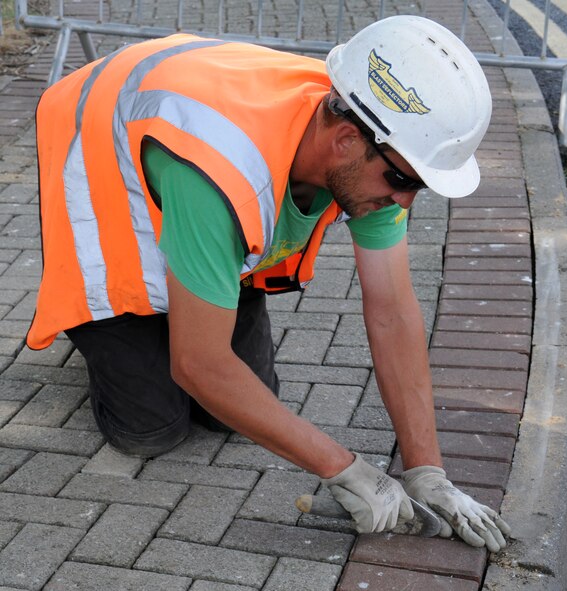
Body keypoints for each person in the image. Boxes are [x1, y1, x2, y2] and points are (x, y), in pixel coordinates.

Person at [28, 15, 510, 551]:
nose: (405, 200)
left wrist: (427, 471)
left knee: (230, 412)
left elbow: (393, 309)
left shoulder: (376, 151)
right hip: (103, 150)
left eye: (419, 185)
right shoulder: (218, 168)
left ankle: (182, 308)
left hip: (200, 179)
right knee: (151, 430)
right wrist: (345, 470)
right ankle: (101, 334)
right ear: (347, 139)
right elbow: (199, 364)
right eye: (403, 181)